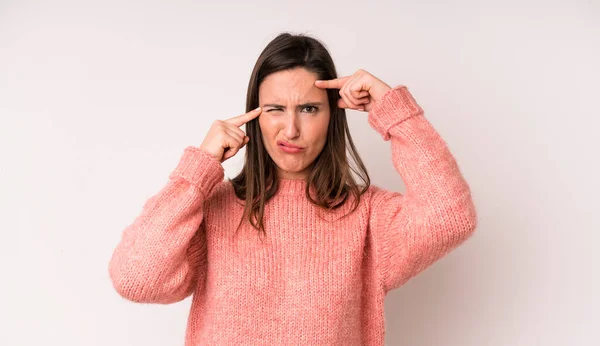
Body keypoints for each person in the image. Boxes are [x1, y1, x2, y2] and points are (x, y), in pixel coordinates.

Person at [108, 32, 478, 345]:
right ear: (253, 116)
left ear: (333, 114)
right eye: (274, 109)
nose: (291, 131)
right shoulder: (212, 210)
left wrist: (394, 110)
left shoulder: (368, 217)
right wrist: (197, 170)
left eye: (309, 109)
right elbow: (136, 279)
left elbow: (450, 217)